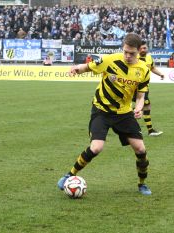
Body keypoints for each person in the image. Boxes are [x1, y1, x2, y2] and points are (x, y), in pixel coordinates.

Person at [57, 33, 152, 195]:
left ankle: (142, 184)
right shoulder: (110, 60)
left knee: (140, 149)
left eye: (132, 53)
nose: (128, 56)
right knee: (96, 147)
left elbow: (141, 96)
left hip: (123, 113)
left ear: (139, 52)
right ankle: (70, 174)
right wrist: (76, 69)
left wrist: (139, 108)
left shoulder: (143, 70)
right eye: (125, 52)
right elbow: (87, 67)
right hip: (101, 110)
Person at [134, 40, 164, 136]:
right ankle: (136, 129)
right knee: (143, 106)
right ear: (138, 49)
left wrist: (160, 74)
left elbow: (152, 68)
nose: (143, 50)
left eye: (145, 48)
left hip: (145, 86)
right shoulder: (134, 57)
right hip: (135, 86)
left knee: (145, 106)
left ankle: (149, 130)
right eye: (141, 48)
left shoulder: (149, 57)